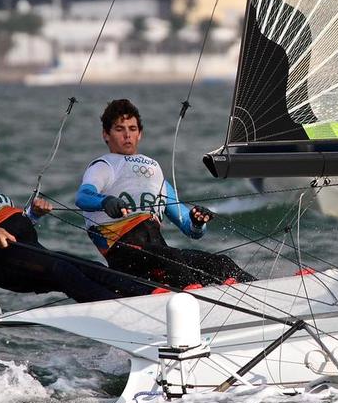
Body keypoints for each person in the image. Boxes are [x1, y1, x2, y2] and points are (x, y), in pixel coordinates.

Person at [0, 129, 149, 302]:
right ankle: (130, 314)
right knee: (65, 271)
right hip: (0, 258)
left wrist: (32, 215)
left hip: (20, 250)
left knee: (88, 268)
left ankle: (151, 295)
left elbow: (7, 226)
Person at [75, 99, 255, 288]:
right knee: (171, 260)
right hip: (124, 256)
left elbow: (189, 228)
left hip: (161, 253)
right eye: (119, 129)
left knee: (220, 263)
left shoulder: (154, 172)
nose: (127, 135)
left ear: (140, 134)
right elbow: (83, 196)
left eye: (132, 128)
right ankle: (195, 303)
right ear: (106, 134)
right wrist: (105, 201)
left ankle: (266, 293)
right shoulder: (104, 166)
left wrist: (197, 222)